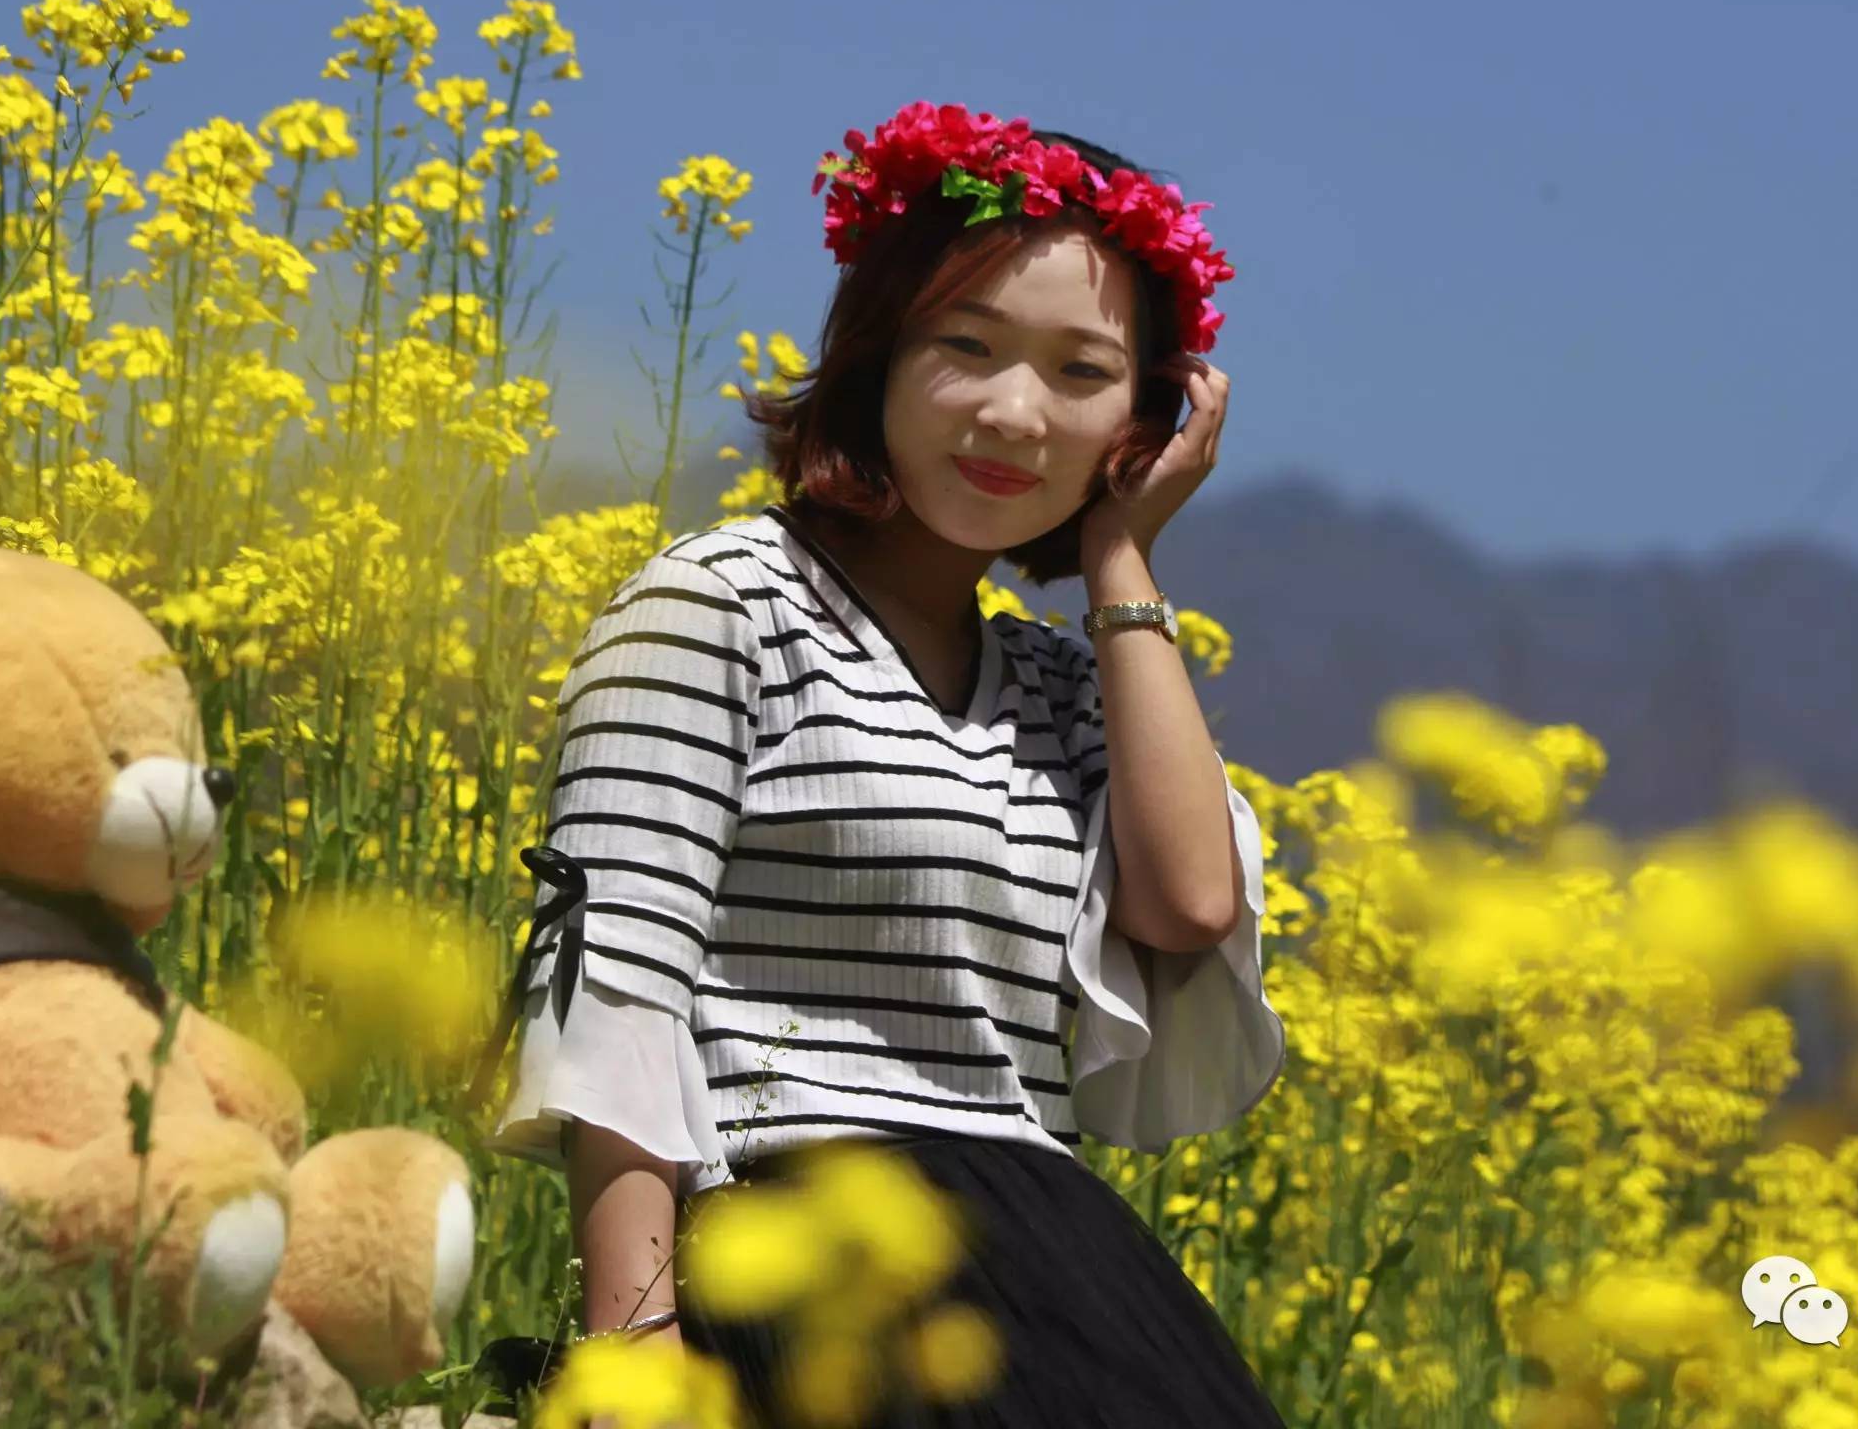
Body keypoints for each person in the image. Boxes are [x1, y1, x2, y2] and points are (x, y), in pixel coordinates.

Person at [488, 101, 1287, 1426]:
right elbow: (612, 984)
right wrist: (635, 1346)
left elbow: (1190, 907)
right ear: (875, 355)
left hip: (1058, 1272)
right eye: (965, 348)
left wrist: (1122, 562)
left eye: (1082, 375)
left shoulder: (1065, 682)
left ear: (1143, 425)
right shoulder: (721, 606)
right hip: (796, 1254)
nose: (1014, 413)